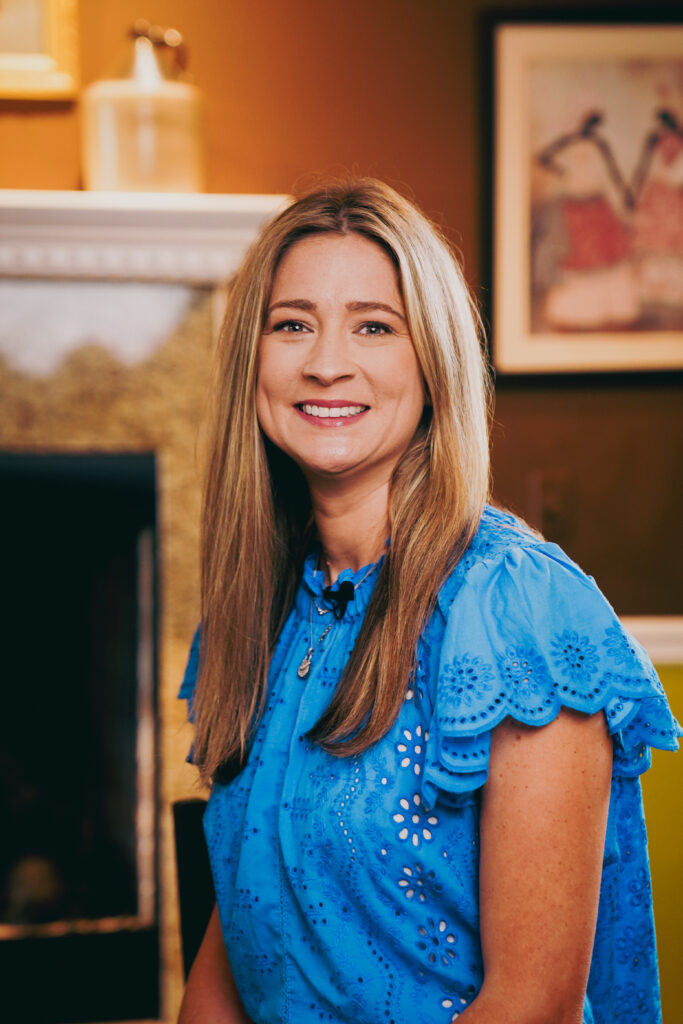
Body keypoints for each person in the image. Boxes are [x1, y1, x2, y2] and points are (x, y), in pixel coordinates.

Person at [178, 179, 680, 1024]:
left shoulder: (518, 607)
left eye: (374, 326)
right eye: (291, 323)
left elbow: (531, 1008)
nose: (325, 361)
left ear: (432, 361)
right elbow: (247, 929)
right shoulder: (265, 607)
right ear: (251, 362)